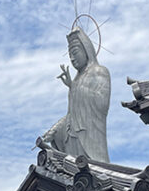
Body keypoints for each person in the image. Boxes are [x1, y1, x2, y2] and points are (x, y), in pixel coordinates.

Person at [42, 27, 110, 162]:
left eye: (75, 52)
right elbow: (71, 113)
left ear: (86, 50)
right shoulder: (76, 80)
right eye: (69, 55)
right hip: (71, 136)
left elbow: (102, 103)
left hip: (89, 137)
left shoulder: (100, 71)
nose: (72, 59)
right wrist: (55, 129)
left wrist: (73, 87)